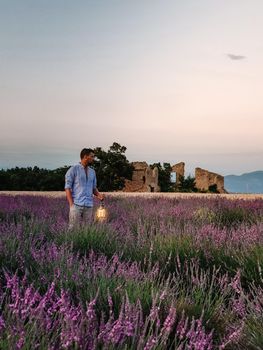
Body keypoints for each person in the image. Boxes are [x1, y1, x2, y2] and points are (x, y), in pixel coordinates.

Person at [65, 148, 104, 230]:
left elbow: (93, 188)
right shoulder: (73, 169)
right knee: (72, 229)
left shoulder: (92, 172)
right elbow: (67, 188)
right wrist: (71, 205)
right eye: (92, 157)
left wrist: (99, 195)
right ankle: (69, 243)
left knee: (87, 230)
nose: (93, 159)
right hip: (76, 205)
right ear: (85, 157)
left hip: (89, 206)